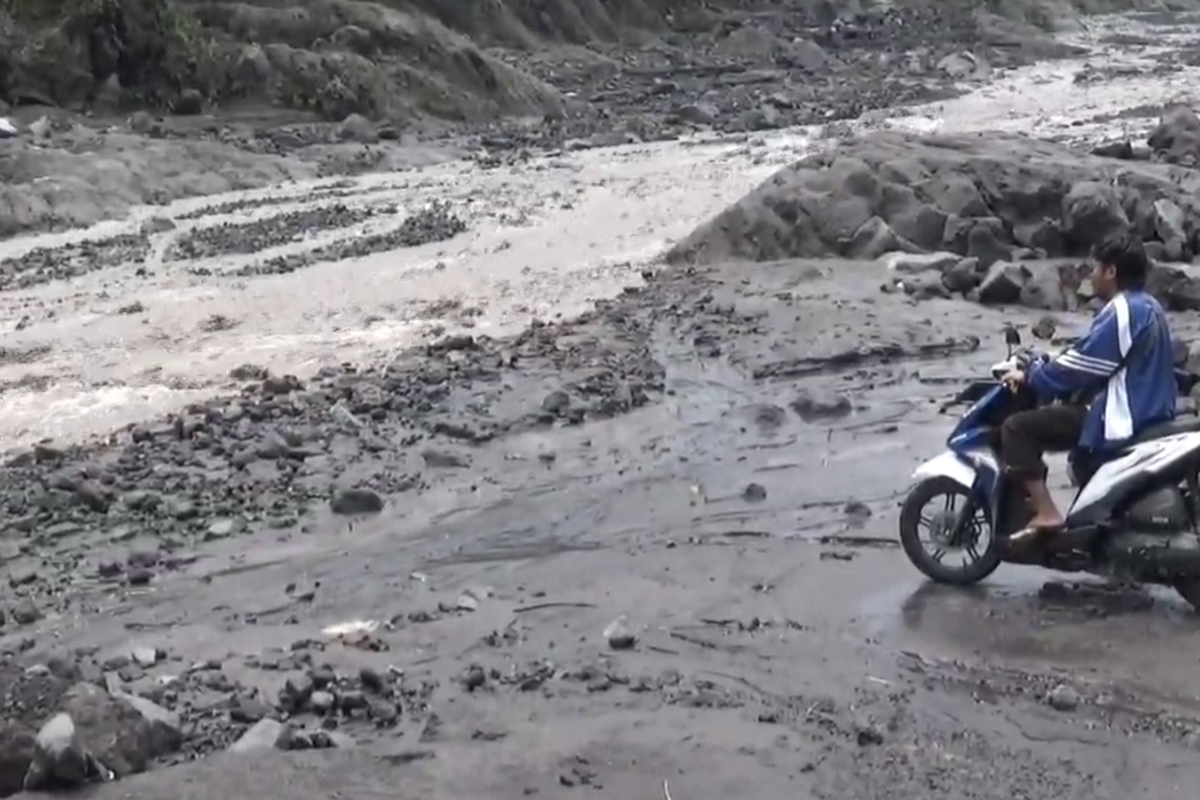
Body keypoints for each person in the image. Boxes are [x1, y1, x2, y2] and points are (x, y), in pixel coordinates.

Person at [999, 231, 1177, 544]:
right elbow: (1096, 354)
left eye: (1096, 268)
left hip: (1123, 415)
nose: (1091, 276)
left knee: (1017, 428)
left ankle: (1047, 513)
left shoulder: (1124, 310)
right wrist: (1051, 360)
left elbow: (1085, 365)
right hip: (1151, 407)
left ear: (1111, 271)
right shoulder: (1146, 306)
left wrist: (1034, 376)